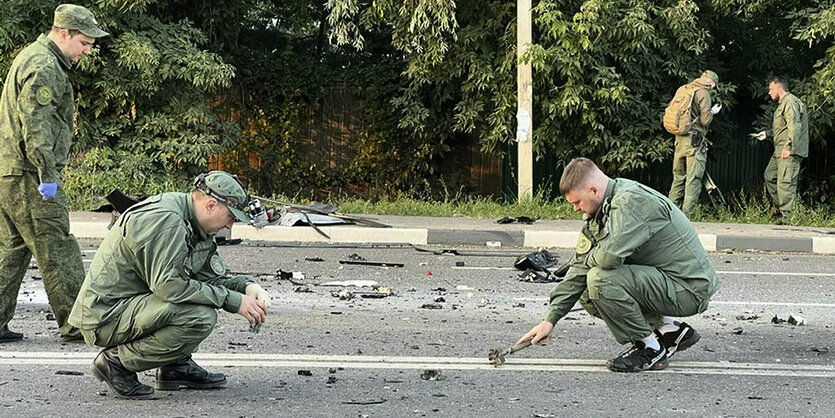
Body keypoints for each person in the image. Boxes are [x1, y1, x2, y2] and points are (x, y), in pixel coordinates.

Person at [68, 171, 272, 399]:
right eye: (231, 217)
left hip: (131, 306)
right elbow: (169, 287)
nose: (229, 225)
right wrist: (232, 301)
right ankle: (116, 363)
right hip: (105, 316)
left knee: (197, 303)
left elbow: (207, 278)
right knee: (199, 317)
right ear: (211, 205)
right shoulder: (167, 220)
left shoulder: (195, 223)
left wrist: (247, 288)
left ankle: (175, 366)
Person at [517, 158, 719, 372]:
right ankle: (668, 330)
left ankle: (649, 349)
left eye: (577, 202)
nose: (575, 209)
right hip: (667, 281)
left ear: (593, 190)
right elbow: (579, 267)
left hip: (689, 288)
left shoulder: (631, 202)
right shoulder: (603, 209)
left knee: (600, 279)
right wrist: (550, 320)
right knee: (586, 286)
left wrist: (589, 259)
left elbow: (607, 258)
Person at [0, 4, 108, 343]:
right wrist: (47, 174)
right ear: (64, 33)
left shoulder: (33, 56)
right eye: (85, 42)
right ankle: (78, 322)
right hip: (31, 174)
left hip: (11, 172)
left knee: (12, 250)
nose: (87, 50)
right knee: (57, 247)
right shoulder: (45, 65)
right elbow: (37, 126)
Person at [667, 70, 722, 217]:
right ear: (711, 83)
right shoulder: (703, 93)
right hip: (694, 142)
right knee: (694, 179)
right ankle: (687, 217)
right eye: (713, 86)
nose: (712, 88)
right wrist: (712, 112)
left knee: (678, 177)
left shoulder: (684, 89)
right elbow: (705, 121)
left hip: (679, 139)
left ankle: (671, 215)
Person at [753, 77, 809, 223]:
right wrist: (767, 134)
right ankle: (782, 209)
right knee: (770, 176)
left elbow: (795, 127)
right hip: (779, 150)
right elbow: (783, 127)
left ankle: (789, 219)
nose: (769, 93)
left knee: (785, 183)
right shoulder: (783, 104)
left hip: (787, 150)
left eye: (771, 89)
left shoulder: (790, 103)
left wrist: (789, 147)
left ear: (780, 89)